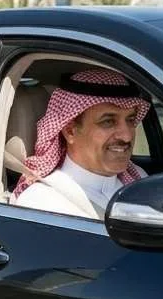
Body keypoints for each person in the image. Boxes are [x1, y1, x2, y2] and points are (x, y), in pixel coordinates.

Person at [12, 69, 151, 219]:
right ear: (70, 131)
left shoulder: (137, 176)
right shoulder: (41, 203)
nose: (127, 136)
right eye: (108, 122)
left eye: (130, 120)